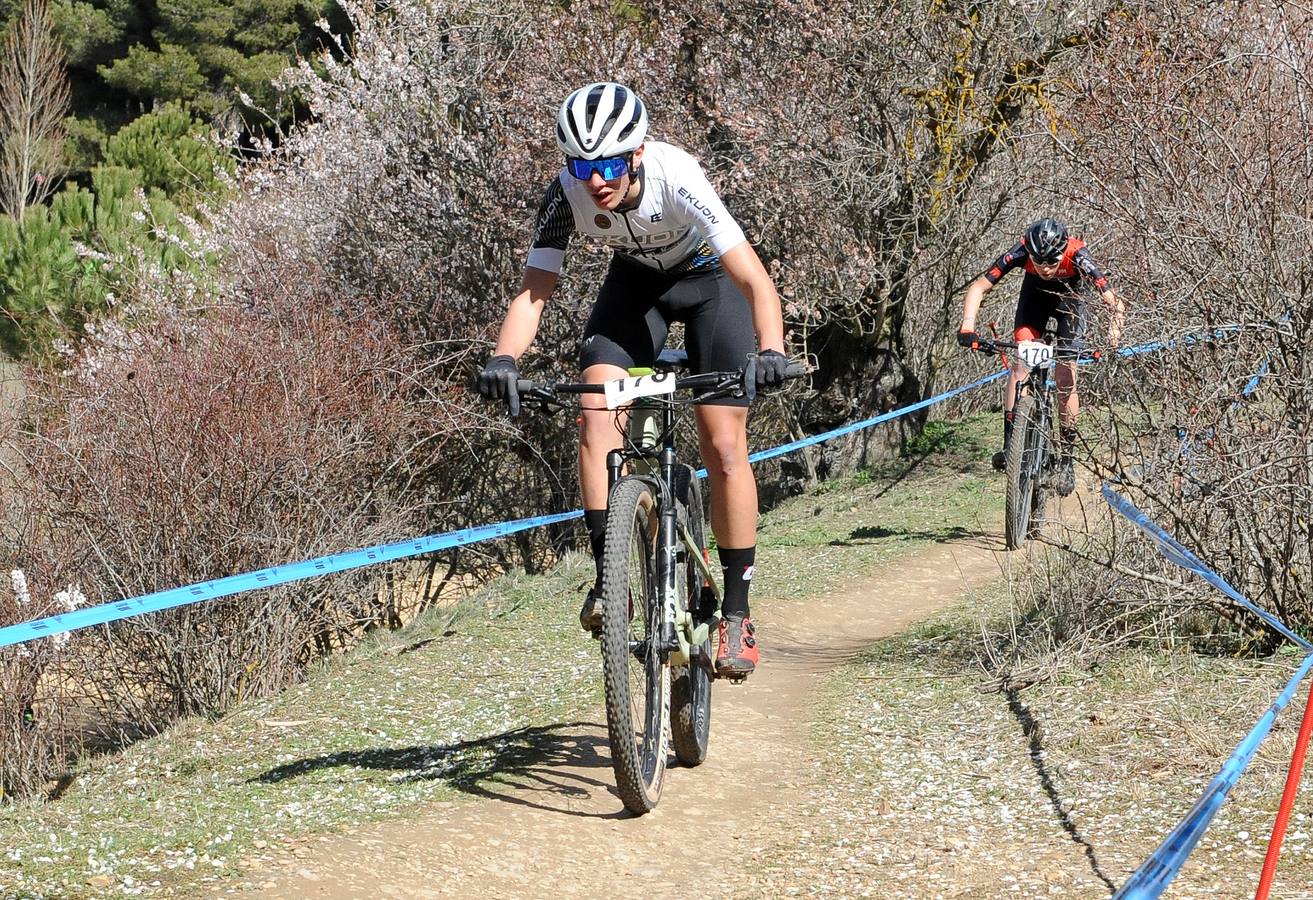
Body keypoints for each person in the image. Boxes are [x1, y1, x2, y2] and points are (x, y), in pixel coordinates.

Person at [476, 82, 787, 680]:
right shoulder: (566, 194)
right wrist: (504, 359)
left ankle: (737, 611)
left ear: (637, 154)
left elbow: (753, 279)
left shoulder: (679, 177)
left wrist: (771, 348)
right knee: (595, 412)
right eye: (583, 164)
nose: (597, 179)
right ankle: (609, 577)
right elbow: (533, 292)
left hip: (709, 287)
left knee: (723, 444)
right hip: (635, 286)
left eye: (611, 164)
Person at [956, 218, 1123, 496]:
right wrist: (968, 326)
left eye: (1051, 261)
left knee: (1065, 375)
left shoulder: (1079, 255)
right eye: (1038, 261)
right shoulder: (1020, 251)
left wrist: (1112, 339)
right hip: (1035, 300)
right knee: (1021, 365)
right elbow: (978, 288)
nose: (1045, 267)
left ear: (1063, 250)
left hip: (1071, 303)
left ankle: (1066, 460)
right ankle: (1011, 444)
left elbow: (1115, 303)